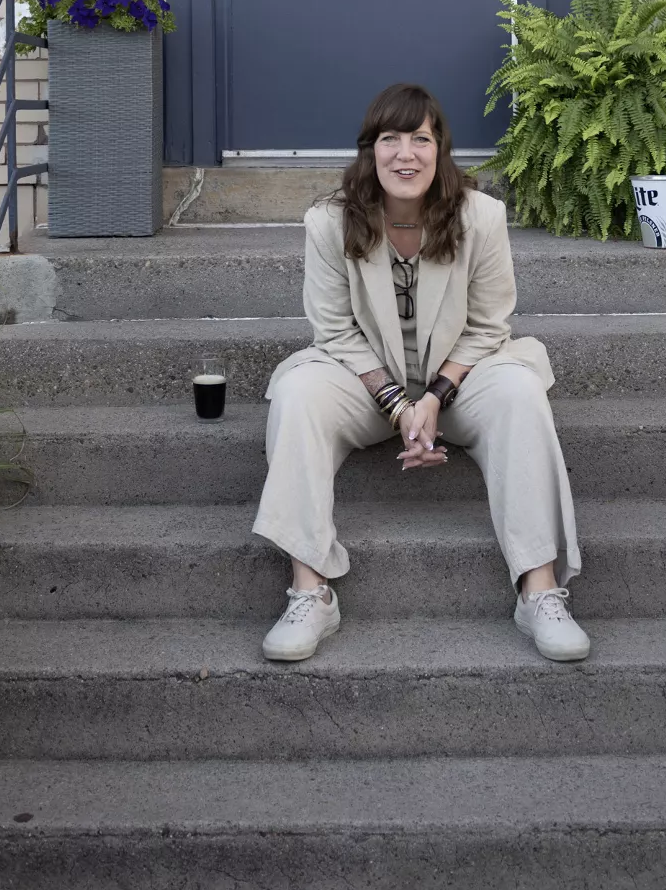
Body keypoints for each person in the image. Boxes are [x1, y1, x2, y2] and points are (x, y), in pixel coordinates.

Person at [252, 81, 589, 664]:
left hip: (461, 379)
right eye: (391, 139)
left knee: (519, 390)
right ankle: (311, 592)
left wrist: (431, 399)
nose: (405, 154)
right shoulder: (328, 222)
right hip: (364, 380)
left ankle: (538, 591)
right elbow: (335, 331)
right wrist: (397, 404)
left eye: (420, 139)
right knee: (299, 391)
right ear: (370, 149)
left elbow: (488, 325)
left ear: (441, 150)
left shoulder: (481, 217)